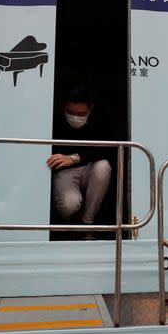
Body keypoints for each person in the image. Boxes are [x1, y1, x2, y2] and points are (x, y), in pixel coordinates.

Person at [48, 84, 112, 238]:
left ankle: (86, 225)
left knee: (103, 166)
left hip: (90, 167)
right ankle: (67, 226)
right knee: (69, 204)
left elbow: (108, 147)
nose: (75, 117)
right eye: (70, 112)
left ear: (90, 109)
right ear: (64, 106)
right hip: (64, 171)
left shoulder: (100, 117)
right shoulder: (53, 117)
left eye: (81, 113)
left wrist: (74, 158)